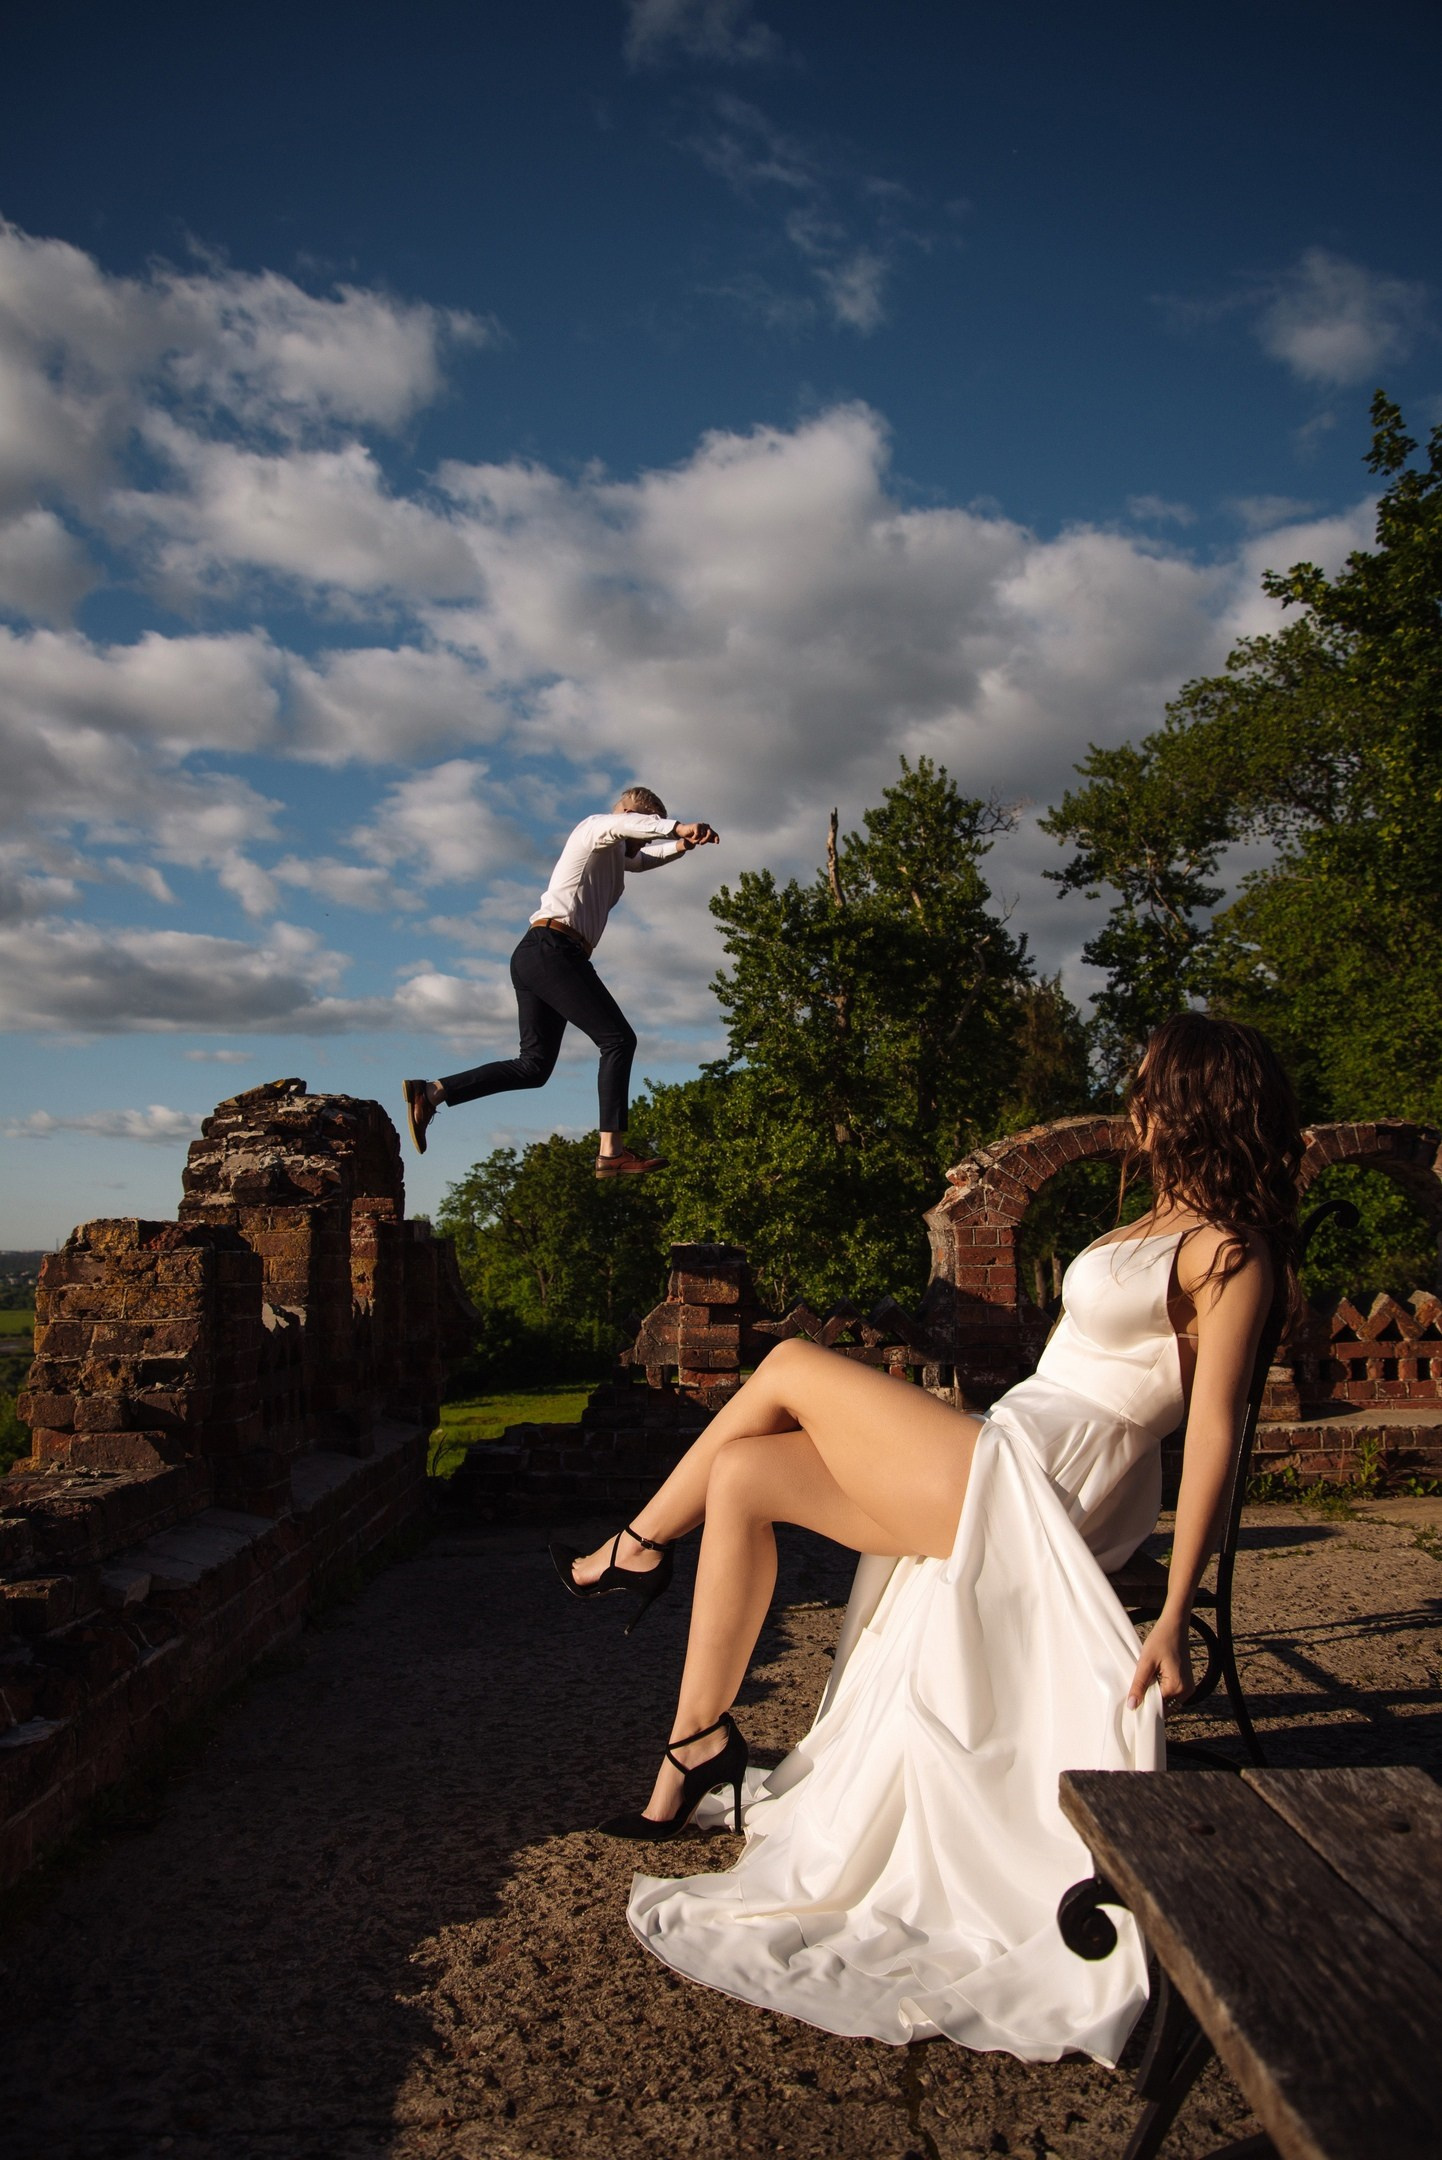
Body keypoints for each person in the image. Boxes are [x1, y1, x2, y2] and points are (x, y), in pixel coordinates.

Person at [551, 1014, 1302, 2061]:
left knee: (786, 1370)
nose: (1132, 1101)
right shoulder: (1148, 1223)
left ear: (1191, 1100)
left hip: (1042, 1482)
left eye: (1146, 1084)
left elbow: (1212, 1432)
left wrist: (1173, 1611)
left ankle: (631, 1547)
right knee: (744, 1474)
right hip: (1004, 1445)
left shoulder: (1228, 1251)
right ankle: (692, 1745)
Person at [403, 788, 718, 1174]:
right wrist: (676, 827)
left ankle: (431, 1093)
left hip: (539, 954)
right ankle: (611, 1151)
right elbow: (624, 828)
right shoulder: (596, 827)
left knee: (533, 1067)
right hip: (554, 949)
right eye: (641, 830)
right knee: (618, 1040)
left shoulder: (615, 856)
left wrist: (680, 846)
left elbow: (639, 861)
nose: (640, 842)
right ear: (628, 813)